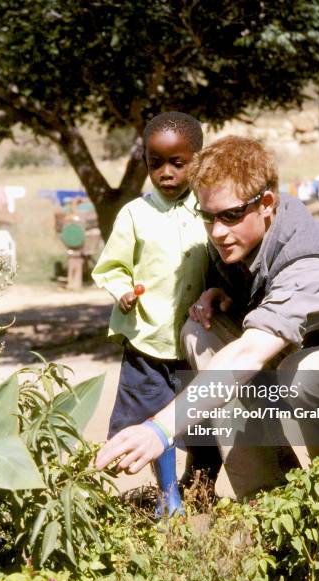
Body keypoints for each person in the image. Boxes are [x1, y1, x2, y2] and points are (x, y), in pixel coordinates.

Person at [96, 135, 319, 500]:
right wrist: (223, 294)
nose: (217, 231)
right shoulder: (240, 244)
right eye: (207, 216)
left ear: (266, 203)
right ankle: (269, 499)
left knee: (304, 371)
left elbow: (251, 351)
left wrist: (160, 428)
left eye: (230, 215)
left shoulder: (314, 260)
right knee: (201, 332)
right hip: (308, 353)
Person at [92, 112, 220, 516]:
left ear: (197, 160)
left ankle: (202, 486)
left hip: (196, 340)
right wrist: (122, 290)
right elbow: (111, 267)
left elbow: (223, 262)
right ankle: (169, 497)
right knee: (154, 419)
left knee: (205, 422)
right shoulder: (135, 214)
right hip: (148, 340)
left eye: (177, 163)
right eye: (155, 163)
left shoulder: (209, 209)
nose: (165, 173)